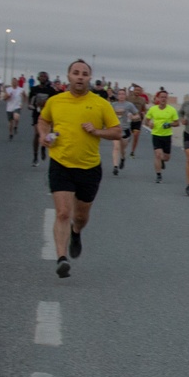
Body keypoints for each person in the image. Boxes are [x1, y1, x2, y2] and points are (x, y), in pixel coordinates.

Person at [37, 59, 121, 278]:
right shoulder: (56, 101)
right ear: (68, 76)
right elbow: (43, 121)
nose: (80, 76)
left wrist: (97, 131)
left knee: (81, 216)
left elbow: (117, 132)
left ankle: (76, 232)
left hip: (89, 167)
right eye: (76, 73)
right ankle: (61, 258)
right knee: (63, 212)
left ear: (89, 78)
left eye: (84, 73)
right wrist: (43, 135)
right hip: (61, 163)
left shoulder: (101, 103)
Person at [143, 90, 179, 183]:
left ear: (167, 98)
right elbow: (146, 121)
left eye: (165, 97)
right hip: (156, 135)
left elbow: (177, 123)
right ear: (158, 98)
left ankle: (162, 161)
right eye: (161, 97)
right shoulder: (153, 109)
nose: (163, 99)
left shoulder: (172, 110)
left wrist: (170, 124)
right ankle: (158, 175)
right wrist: (149, 124)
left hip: (167, 136)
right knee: (158, 155)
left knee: (166, 157)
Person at [28, 71, 58, 166]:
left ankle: (43, 148)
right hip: (36, 114)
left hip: (47, 116)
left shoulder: (51, 91)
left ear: (47, 78)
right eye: (41, 76)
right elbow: (29, 103)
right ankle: (35, 157)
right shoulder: (34, 89)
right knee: (37, 133)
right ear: (38, 78)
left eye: (45, 76)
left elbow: (55, 103)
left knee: (47, 134)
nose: (43, 78)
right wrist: (32, 106)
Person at [110, 88, 139, 175]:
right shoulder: (113, 105)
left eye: (123, 94)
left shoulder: (129, 105)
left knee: (122, 149)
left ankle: (122, 158)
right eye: (120, 94)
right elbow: (108, 115)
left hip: (125, 130)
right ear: (117, 96)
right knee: (116, 147)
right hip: (116, 129)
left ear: (125, 95)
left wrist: (133, 117)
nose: (121, 96)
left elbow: (137, 115)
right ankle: (115, 167)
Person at [126, 84, 148, 158]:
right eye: (136, 90)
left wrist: (143, 113)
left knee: (136, 135)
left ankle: (132, 151)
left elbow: (144, 109)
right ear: (133, 90)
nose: (137, 91)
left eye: (139, 90)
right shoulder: (128, 98)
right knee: (126, 137)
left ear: (141, 91)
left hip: (137, 120)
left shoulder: (142, 100)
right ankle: (125, 147)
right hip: (128, 120)